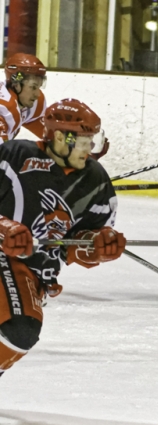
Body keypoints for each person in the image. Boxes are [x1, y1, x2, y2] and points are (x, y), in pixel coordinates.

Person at [0, 99, 126, 378]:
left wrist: (97, 246)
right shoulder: (14, 155)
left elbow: (73, 244)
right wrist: (4, 228)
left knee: (22, 333)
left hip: (34, 272)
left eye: (92, 140)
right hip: (4, 258)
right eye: (84, 141)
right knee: (19, 328)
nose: (90, 148)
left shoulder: (95, 179)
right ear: (60, 137)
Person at [0, 53, 47, 143]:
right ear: (16, 84)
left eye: (38, 87)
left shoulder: (31, 103)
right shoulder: (4, 109)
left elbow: (52, 138)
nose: (38, 94)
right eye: (33, 87)